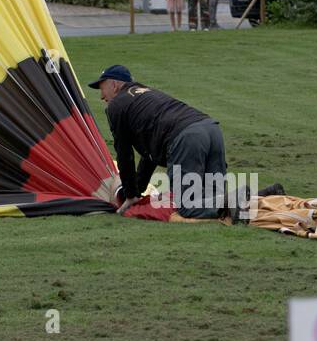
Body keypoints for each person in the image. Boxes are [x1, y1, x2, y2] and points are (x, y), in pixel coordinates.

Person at [90, 64, 237, 222]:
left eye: (102, 88)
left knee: (187, 206)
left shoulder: (116, 105)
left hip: (187, 137)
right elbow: (149, 155)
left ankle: (237, 201)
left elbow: (124, 154)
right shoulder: (147, 95)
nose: (101, 97)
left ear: (114, 84)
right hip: (211, 129)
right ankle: (257, 196)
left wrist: (130, 195)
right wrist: (136, 192)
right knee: (214, 196)